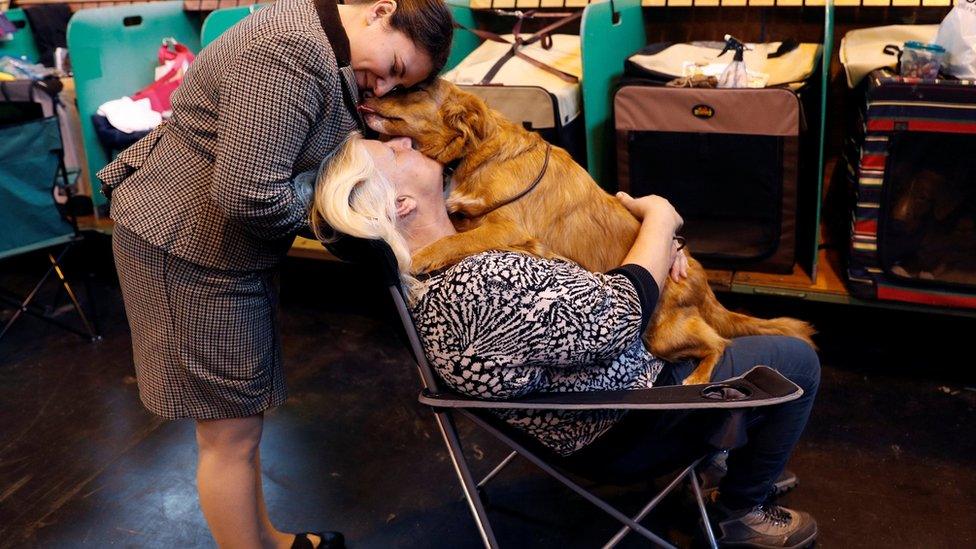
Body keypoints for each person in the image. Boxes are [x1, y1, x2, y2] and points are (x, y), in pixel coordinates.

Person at [312, 133, 822, 548]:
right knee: (796, 360)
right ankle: (741, 509)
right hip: (626, 421)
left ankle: (723, 462)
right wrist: (661, 219)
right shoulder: (480, 282)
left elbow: (573, 283)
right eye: (394, 152)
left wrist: (658, 247)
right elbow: (621, 312)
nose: (404, 139)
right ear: (402, 204)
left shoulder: (432, 270)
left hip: (582, 411)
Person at [99, 1, 453, 547]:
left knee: (242, 419)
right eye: (395, 68)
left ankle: (263, 538)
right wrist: (347, 215)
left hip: (216, 244)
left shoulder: (319, 42)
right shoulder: (290, 50)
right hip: (187, 246)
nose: (382, 88)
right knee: (228, 434)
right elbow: (249, 195)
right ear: (382, 10)